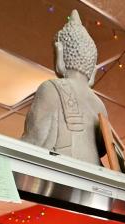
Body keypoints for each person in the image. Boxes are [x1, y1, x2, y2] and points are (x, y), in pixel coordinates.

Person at [21, 10, 107, 166]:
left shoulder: (51, 88)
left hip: (60, 176)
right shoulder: (100, 105)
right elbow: (102, 149)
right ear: (93, 69)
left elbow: (34, 139)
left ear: (59, 54)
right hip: (95, 182)